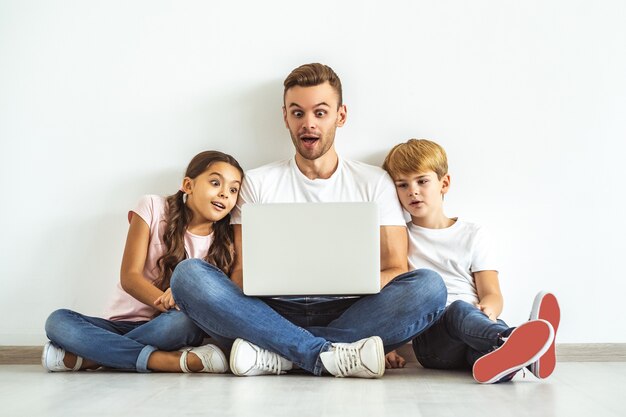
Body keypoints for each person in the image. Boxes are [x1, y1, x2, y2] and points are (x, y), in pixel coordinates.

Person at [169, 63, 448, 379]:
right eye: (298, 113)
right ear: (285, 117)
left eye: (320, 112)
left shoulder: (374, 182)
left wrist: (350, 280)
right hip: (269, 312)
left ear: (340, 116)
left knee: (429, 287)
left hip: (351, 311)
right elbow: (241, 272)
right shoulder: (257, 183)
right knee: (189, 275)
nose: (308, 124)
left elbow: (398, 268)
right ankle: (326, 355)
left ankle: (278, 355)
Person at [42, 150, 244, 373]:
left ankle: (91, 357)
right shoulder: (152, 207)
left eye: (233, 189)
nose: (225, 194)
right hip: (118, 325)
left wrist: (180, 306)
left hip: (169, 326)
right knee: (58, 321)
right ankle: (165, 361)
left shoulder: (226, 241)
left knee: (183, 323)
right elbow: (130, 277)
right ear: (188, 185)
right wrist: (169, 300)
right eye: (216, 183)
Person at [382, 139, 561, 383]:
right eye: (402, 185)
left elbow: (492, 294)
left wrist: (489, 308)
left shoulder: (473, 233)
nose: (412, 191)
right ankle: (515, 340)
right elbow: (387, 296)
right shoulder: (399, 237)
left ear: (444, 183)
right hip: (433, 341)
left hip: (476, 327)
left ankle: (510, 359)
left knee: (482, 347)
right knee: (459, 310)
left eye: (422, 181)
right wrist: (384, 343)